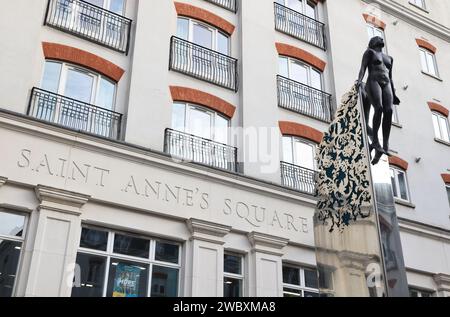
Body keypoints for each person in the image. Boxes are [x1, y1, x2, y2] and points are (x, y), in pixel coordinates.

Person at [356, 36, 400, 164]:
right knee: (379, 108)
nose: (381, 39)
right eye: (378, 38)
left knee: (389, 111)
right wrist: (359, 80)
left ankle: (385, 145)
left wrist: (394, 93)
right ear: (373, 42)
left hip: (386, 84)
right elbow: (363, 67)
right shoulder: (370, 52)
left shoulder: (389, 58)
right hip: (373, 81)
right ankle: (375, 141)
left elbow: (390, 77)